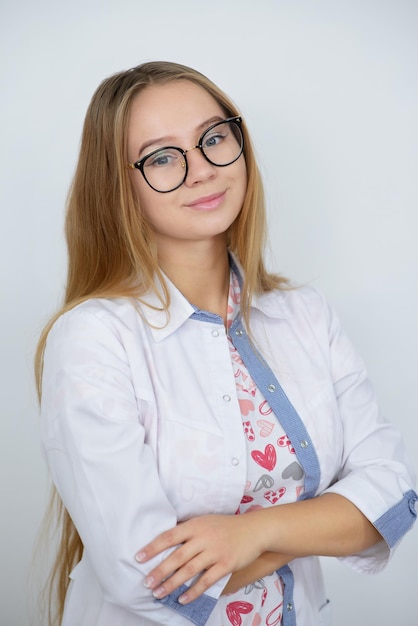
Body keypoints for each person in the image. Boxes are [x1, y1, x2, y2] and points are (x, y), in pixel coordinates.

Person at [35, 60, 417, 626]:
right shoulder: (94, 338)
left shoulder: (305, 316)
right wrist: (321, 527)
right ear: (119, 184)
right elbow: (146, 580)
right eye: (163, 156)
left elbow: (393, 493)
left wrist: (252, 533)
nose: (201, 171)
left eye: (214, 138)